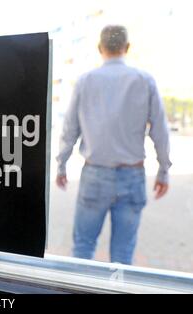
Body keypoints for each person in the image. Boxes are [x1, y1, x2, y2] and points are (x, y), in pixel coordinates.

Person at [56, 25, 172, 265]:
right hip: (132, 175)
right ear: (126, 48)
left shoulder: (85, 81)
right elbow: (160, 130)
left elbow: (70, 129)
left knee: (83, 248)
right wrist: (163, 170)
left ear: (100, 48)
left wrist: (61, 165)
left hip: (94, 175)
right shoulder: (144, 80)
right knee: (123, 256)